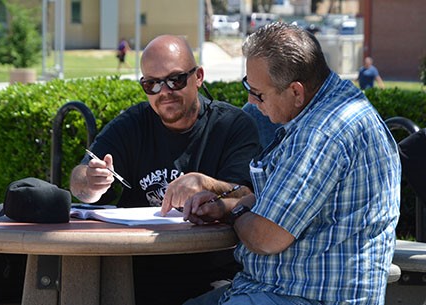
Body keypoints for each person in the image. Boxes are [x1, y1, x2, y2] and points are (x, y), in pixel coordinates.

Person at [183, 22, 401, 305]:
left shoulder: (320, 133)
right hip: (288, 289)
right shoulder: (332, 105)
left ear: (296, 92)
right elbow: (276, 207)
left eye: (258, 93)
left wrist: (235, 211)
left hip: (302, 297)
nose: (250, 101)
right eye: (247, 86)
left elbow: (267, 236)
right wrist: (227, 206)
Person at [70, 34, 261, 305]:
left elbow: (248, 197)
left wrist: (206, 184)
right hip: (134, 272)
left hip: (210, 273)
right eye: (152, 84)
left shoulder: (232, 126)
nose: (165, 92)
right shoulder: (133, 124)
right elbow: (79, 182)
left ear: (198, 77)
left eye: (175, 80)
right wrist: (90, 182)